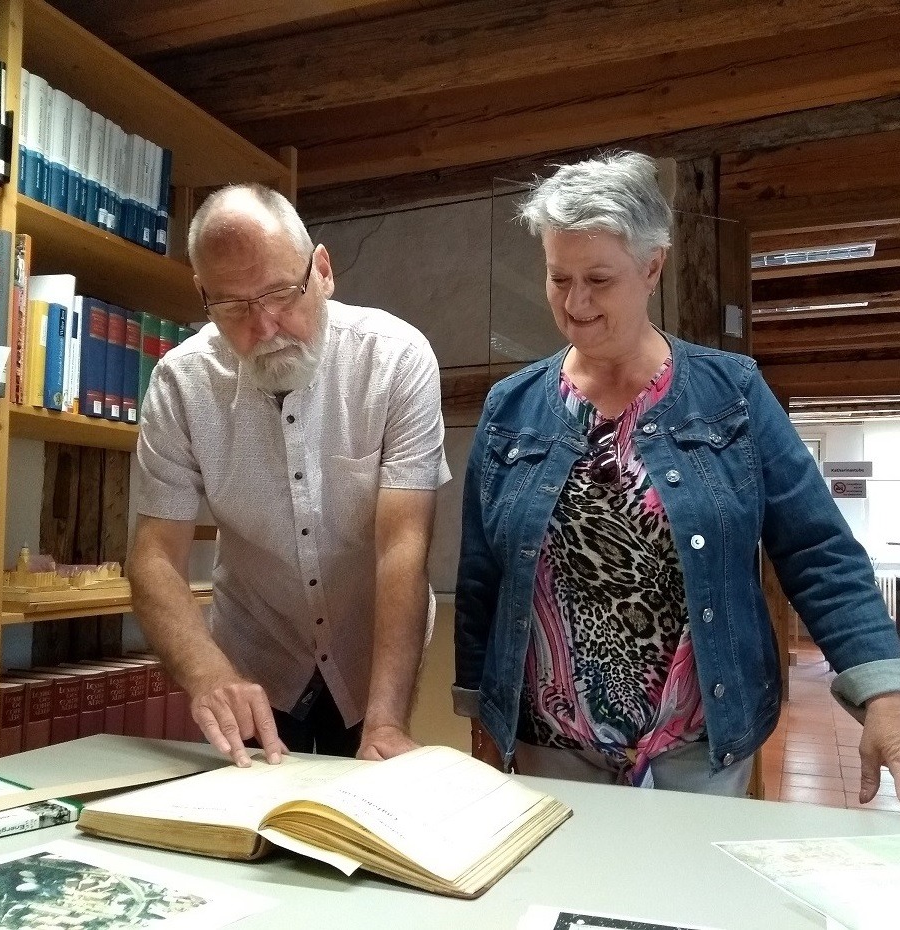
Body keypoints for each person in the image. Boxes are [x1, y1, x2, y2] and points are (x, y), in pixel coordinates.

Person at [453, 151, 900, 799]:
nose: (574, 304)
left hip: (700, 740)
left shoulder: (730, 393)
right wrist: (477, 711)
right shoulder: (511, 409)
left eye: (598, 279)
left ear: (651, 266)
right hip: (548, 742)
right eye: (558, 278)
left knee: (697, 897)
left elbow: (815, 548)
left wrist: (880, 685)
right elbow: (481, 578)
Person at [129, 183, 449, 768]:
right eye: (232, 305)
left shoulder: (396, 358)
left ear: (321, 271)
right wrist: (209, 675)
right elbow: (154, 558)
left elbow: (403, 546)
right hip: (254, 654)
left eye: (280, 293)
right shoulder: (180, 383)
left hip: (370, 650)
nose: (266, 324)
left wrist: (385, 719)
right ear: (202, 294)